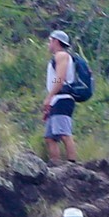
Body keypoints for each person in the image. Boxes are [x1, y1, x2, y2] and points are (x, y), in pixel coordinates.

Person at [42, 30, 78, 165]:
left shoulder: (62, 56)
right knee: (50, 137)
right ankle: (55, 164)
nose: (48, 44)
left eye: (50, 41)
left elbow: (60, 78)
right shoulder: (58, 57)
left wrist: (49, 97)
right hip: (56, 100)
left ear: (56, 41)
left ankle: (72, 164)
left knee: (64, 133)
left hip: (62, 99)